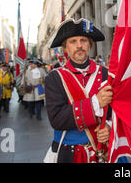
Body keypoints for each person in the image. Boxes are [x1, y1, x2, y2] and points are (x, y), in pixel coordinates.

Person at [45, 18, 113, 163]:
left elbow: (115, 111)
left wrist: (109, 127)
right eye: (73, 41)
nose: (79, 45)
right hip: (69, 154)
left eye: (83, 40)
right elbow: (57, 119)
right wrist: (96, 102)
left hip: (104, 151)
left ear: (90, 45)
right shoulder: (54, 78)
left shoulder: (106, 74)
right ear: (65, 48)